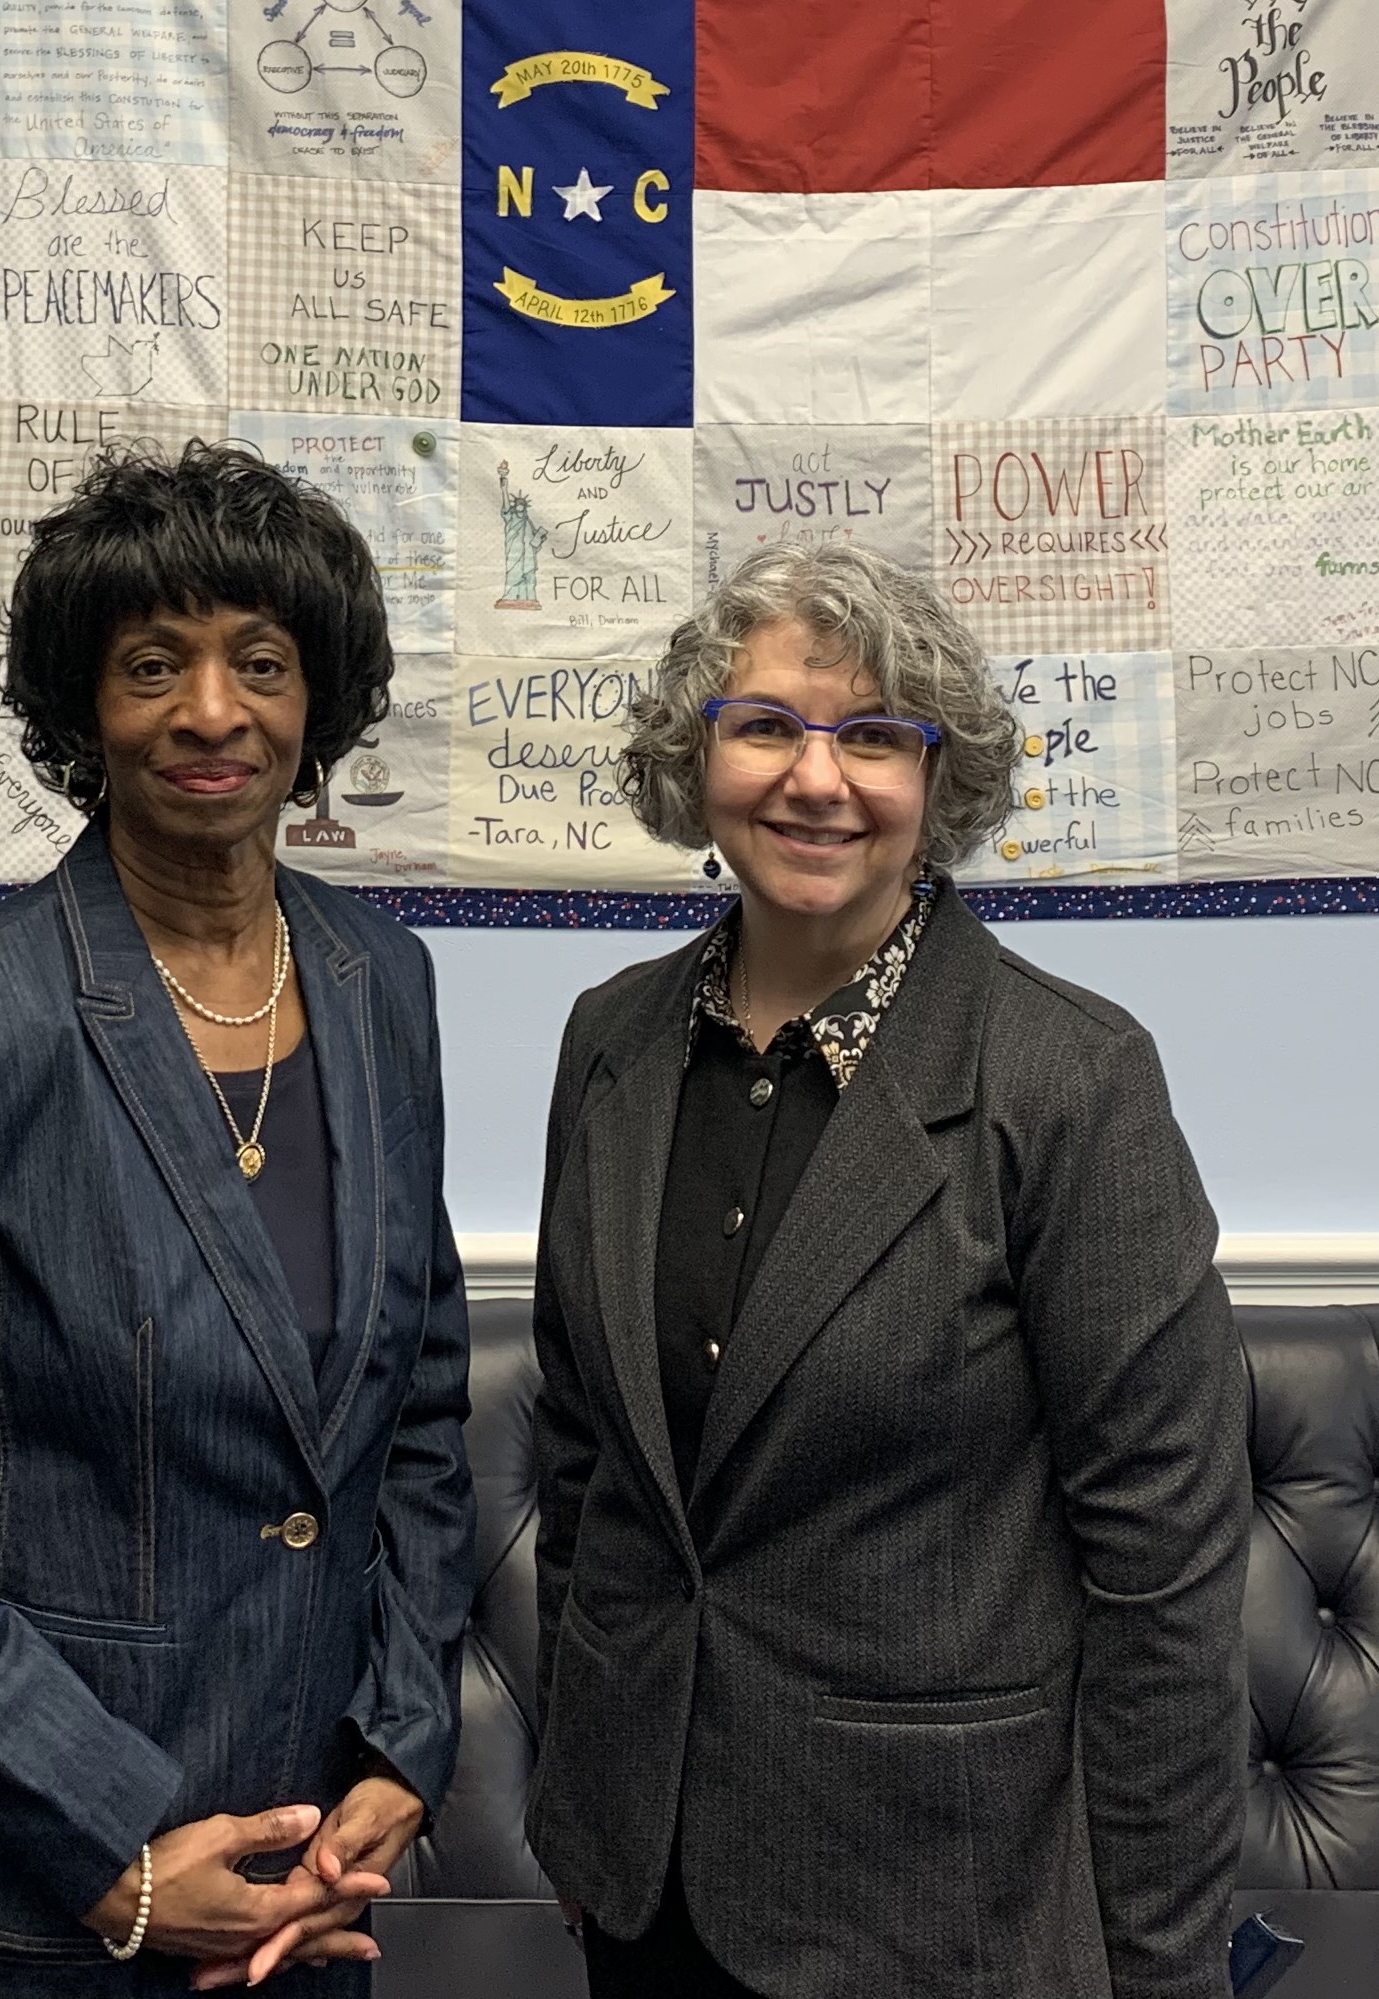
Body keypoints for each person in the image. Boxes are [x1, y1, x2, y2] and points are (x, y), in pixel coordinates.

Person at [0, 441, 478, 1993]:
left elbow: (420, 1417)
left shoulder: (383, 985)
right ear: (87, 709)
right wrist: (108, 1844)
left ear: (323, 700)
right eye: (155, 663)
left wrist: (402, 1747)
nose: (212, 712)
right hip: (40, 1893)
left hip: (311, 1878)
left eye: (262, 663)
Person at [524, 541, 1250, 1998]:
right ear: (696, 757)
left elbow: (1163, 1570)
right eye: (767, 727)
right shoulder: (610, 1038)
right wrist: (584, 1810)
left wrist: (1165, 1965)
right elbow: (582, 1462)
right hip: (639, 1885)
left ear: (942, 782)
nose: (817, 779)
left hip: (934, 1899)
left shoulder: (1070, 1077)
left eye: (874, 737)